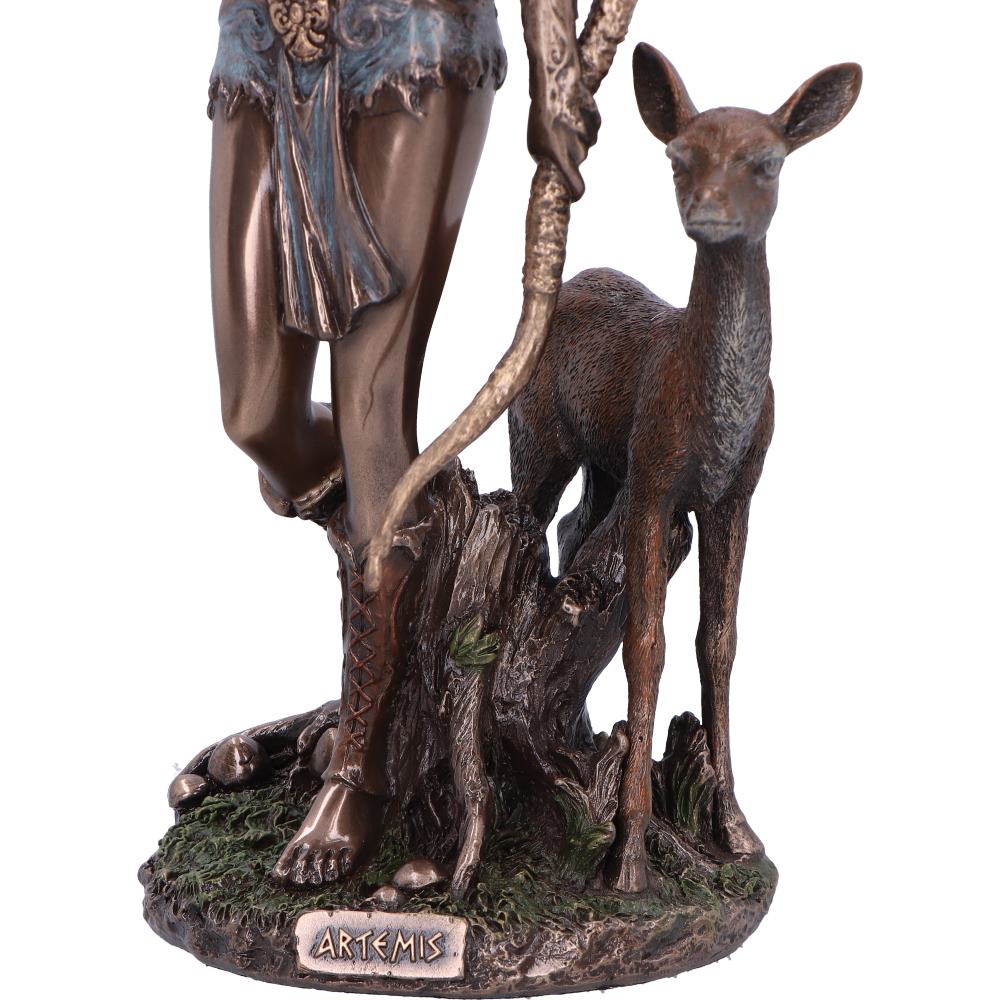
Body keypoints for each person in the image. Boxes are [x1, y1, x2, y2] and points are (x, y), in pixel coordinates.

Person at [208, 0, 598, 886]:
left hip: (413, 44)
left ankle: (364, 764)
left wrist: (555, 69)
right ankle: (414, 549)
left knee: (372, 414)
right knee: (255, 416)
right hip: (261, 43)